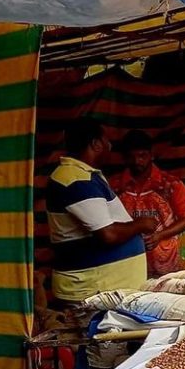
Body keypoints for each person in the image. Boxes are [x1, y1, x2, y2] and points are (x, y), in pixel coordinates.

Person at [46, 119, 152, 303]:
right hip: (93, 290)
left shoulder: (82, 176)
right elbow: (108, 234)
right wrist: (141, 224)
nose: (109, 147)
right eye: (106, 141)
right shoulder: (76, 180)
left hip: (102, 288)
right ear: (96, 144)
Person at [111, 131, 185, 278]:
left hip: (166, 264)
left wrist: (159, 236)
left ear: (151, 155)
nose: (137, 161)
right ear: (125, 158)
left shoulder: (171, 185)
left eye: (142, 156)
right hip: (127, 262)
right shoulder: (114, 186)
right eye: (131, 157)